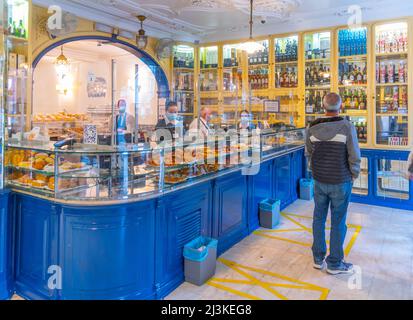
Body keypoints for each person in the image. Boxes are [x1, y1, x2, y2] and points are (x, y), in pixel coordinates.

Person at [305, 92, 361, 275]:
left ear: (323, 107)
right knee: (338, 221)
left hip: (319, 181)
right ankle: (335, 263)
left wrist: (314, 171)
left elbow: (309, 153)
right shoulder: (347, 127)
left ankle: (318, 258)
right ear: (340, 107)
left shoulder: (312, 128)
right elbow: (354, 155)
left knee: (318, 218)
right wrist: (354, 174)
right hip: (340, 181)